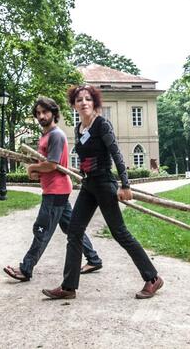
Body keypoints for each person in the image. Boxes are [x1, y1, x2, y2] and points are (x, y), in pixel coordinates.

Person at [42, 84, 163, 300]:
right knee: (74, 231)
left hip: (105, 184)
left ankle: (153, 278)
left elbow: (116, 154)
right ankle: (68, 287)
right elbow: (85, 157)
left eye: (88, 99)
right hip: (89, 186)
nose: (84, 103)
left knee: (119, 232)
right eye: (79, 100)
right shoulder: (80, 128)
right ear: (74, 105)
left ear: (94, 102)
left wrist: (125, 185)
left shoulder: (102, 124)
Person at [3, 97, 103, 283]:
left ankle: (26, 268)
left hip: (55, 191)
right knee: (72, 228)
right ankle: (94, 259)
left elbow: (52, 165)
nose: (41, 116)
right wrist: (37, 170)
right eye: (38, 113)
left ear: (53, 113)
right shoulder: (46, 135)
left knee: (42, 229)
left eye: (45, 112)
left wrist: (33, 169)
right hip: (56, 189)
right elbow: (46, 164)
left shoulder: (56, 135)